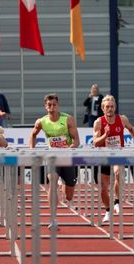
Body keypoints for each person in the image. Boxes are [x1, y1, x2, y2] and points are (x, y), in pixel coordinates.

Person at [29, 93, 80, 226]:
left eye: (54, 105)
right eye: (49, 105)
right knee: (52, 183)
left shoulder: (68, 119)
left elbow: (77, 140)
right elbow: (33, 135)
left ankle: (66, 192)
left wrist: (71, 147)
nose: (52, 107)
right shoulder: (41, 121)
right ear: (45, 106)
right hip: (52, 158)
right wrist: (32, 150)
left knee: (69, 194)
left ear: (58, 106)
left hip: (67, 158)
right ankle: (53, 218)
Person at [94, 95, 134, 223]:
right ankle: (108, 211)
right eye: (107, 107)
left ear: (115, 107)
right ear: (102, 108)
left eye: (112, 106)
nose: (110, 109)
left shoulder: (122, 119)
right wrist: (105, 135)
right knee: (103, 187)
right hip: (104, 155)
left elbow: (131, 129)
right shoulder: (98, 122)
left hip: (118, 153)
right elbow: (95, 143)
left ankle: (117, 201)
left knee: (118, 173)